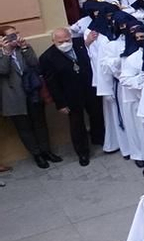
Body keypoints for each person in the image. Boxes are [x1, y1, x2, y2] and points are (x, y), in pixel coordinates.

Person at [40, 26, 104, 166]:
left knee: (97, 114)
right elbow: (52, 84)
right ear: (53, 41)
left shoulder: (80, 43)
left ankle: (99, 139)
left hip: (89, 88)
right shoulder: (47, 57)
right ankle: (82, 153)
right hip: (70, 96)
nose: (65, 44)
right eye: (60, 42)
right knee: (77, 124)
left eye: (67, 40)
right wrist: (60, 103)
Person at [3, 24, 59, 168]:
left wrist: (25, 48)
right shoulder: (3, 53)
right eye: (11, 36)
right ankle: (37, 155)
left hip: (32, 92)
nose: (16, 38)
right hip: (13, 97)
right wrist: (7, 53)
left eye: (16, 34)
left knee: (40, 123)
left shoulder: (22, 48)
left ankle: (46, 151)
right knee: (24, 128)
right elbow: (3, 70)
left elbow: (34, 64)